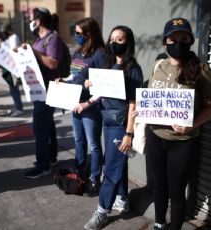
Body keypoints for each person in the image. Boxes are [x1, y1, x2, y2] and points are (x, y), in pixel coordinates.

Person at [146, 18, 211, 230]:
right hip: (155, 136)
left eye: (183, 39)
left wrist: (193, 124)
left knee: (176, 191)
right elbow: (152, 97)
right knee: (159, 186)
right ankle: (159, 224)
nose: (178, 43)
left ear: (190, 41)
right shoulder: (158, 64)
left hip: (183, 141)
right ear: (165, 42)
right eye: (173, 39)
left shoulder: (201, 69)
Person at [83, 25, 143, 229]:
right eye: (112, 39)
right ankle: (123, 199)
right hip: (107, 121)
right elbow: (102, 91)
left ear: (128, 42)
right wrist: (88, 99)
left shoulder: (132, 68)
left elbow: (134, 102)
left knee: (111, 168)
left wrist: (129, 133)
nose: (114, 42)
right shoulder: (108, 65)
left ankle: (102, 211)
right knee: (119, 164)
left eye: (119, 39)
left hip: (120, 125)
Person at [58, 17, 106, 197]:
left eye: (79, 33)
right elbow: (74, 75)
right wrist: (64, 79)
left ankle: (95, 177)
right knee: (79, 141)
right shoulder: (78, 52)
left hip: (90, 107)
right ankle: (79, 173)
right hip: (74, 103)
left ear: (89, 34)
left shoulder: (100, 54)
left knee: (93, 145)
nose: (76, 36)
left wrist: (90, 96)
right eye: (75, 32)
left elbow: (104, 84)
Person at [23, 7, 63, 179]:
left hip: (48, 89)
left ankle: (43, 165)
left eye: (32, 19)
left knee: (40, 127)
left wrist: (34, 53)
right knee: (48, 125)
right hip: (39, 89)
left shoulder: (52, 39)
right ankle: (51, 157)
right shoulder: (38, 39)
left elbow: (53, 63)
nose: (30, 22)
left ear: (38, 21)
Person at [0, 24, 24, 117]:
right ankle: (17, 106)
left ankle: (19, 108)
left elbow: (11, 51)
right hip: (10, 66)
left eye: (5, 32)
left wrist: (1, 43)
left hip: (13, 66)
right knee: (12, 88)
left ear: (9, 30)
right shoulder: (10, 38)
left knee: (14, 88)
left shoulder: (14, 37)